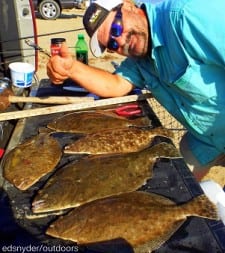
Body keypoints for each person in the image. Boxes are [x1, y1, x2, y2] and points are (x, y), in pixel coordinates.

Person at [47, 0, 225, 181]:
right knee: (176, 184)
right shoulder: (140, 60)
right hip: (206, 141)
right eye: (112, 45)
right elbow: (115, 84)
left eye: (116, 29)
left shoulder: (186, 16)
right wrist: (71, 69)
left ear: (128, 5)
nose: (121, 41)